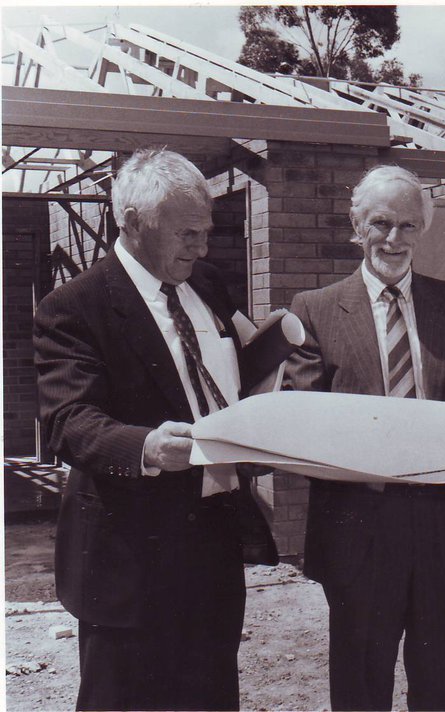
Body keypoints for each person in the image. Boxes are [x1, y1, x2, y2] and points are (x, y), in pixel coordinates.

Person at [34, 147, 275, 711]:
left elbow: (237, 363)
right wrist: (144, 446)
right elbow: (69, 420)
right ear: (133, 224)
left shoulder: (208, 283)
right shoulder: (75, 306)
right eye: (186, 234)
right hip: (128, 558)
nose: (201, 247)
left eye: (206, 232)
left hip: (212, 547)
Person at [284, 164, 445, 711]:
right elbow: (304, 426)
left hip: (443, 527)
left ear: (423, 230)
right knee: (360, 688)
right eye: (380, 223)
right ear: (355, 226)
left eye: (408, 226)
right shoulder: (313, 310)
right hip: (360, 528)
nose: (394, 239)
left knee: (444, 686)